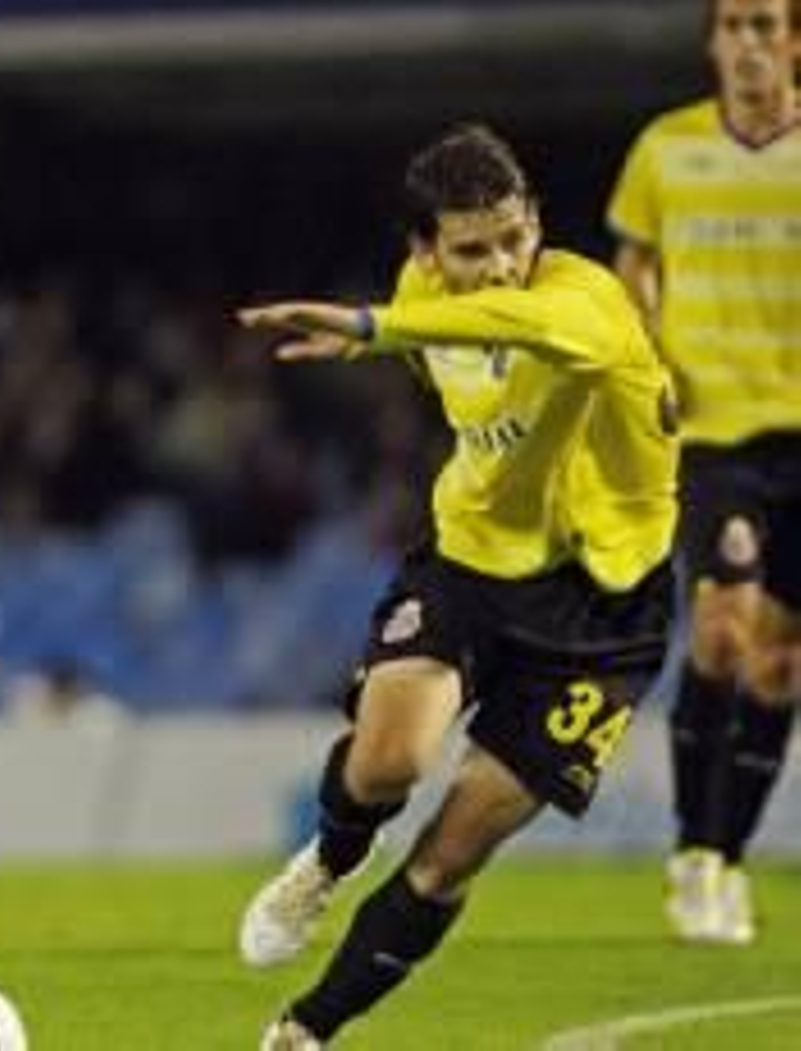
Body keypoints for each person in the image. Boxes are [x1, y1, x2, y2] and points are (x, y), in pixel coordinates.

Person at [234, 124, 678, 1049]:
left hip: (603, 605)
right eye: (473, 250)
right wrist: (389, 330)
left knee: (451, 853)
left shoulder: (588, 301)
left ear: (537, 223)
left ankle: (307, 1029)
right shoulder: (420, 291)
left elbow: (526, 326)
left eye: (515, 238)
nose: (502, 265)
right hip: (473, 561)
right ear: (426, 251)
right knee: (387, 763)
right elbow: (455, 365)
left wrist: (371, 329)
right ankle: (332, 856)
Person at [607, 0, 801, 946]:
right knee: (723, 626)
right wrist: (649, 352)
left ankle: (725, 858)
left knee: (781, 661)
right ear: (713, 43)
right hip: (713, 433)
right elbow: (634, 264)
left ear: (795, 42)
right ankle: (690, 853)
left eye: (765, 25)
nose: (748, 43)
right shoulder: (666, 148)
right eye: (733, 26)